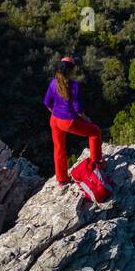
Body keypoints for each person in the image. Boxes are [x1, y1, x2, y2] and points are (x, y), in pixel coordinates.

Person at [44, 56, 102, 184]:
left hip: (54, 120)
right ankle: (96, 163)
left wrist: (56, 113)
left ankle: (62, 179)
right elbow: (78, 110)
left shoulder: (53, 82)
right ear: (71, 71)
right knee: (95, 132)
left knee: (59, 149)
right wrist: (87, 119)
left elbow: (47, 102)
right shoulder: (74, 86)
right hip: (68, 122)